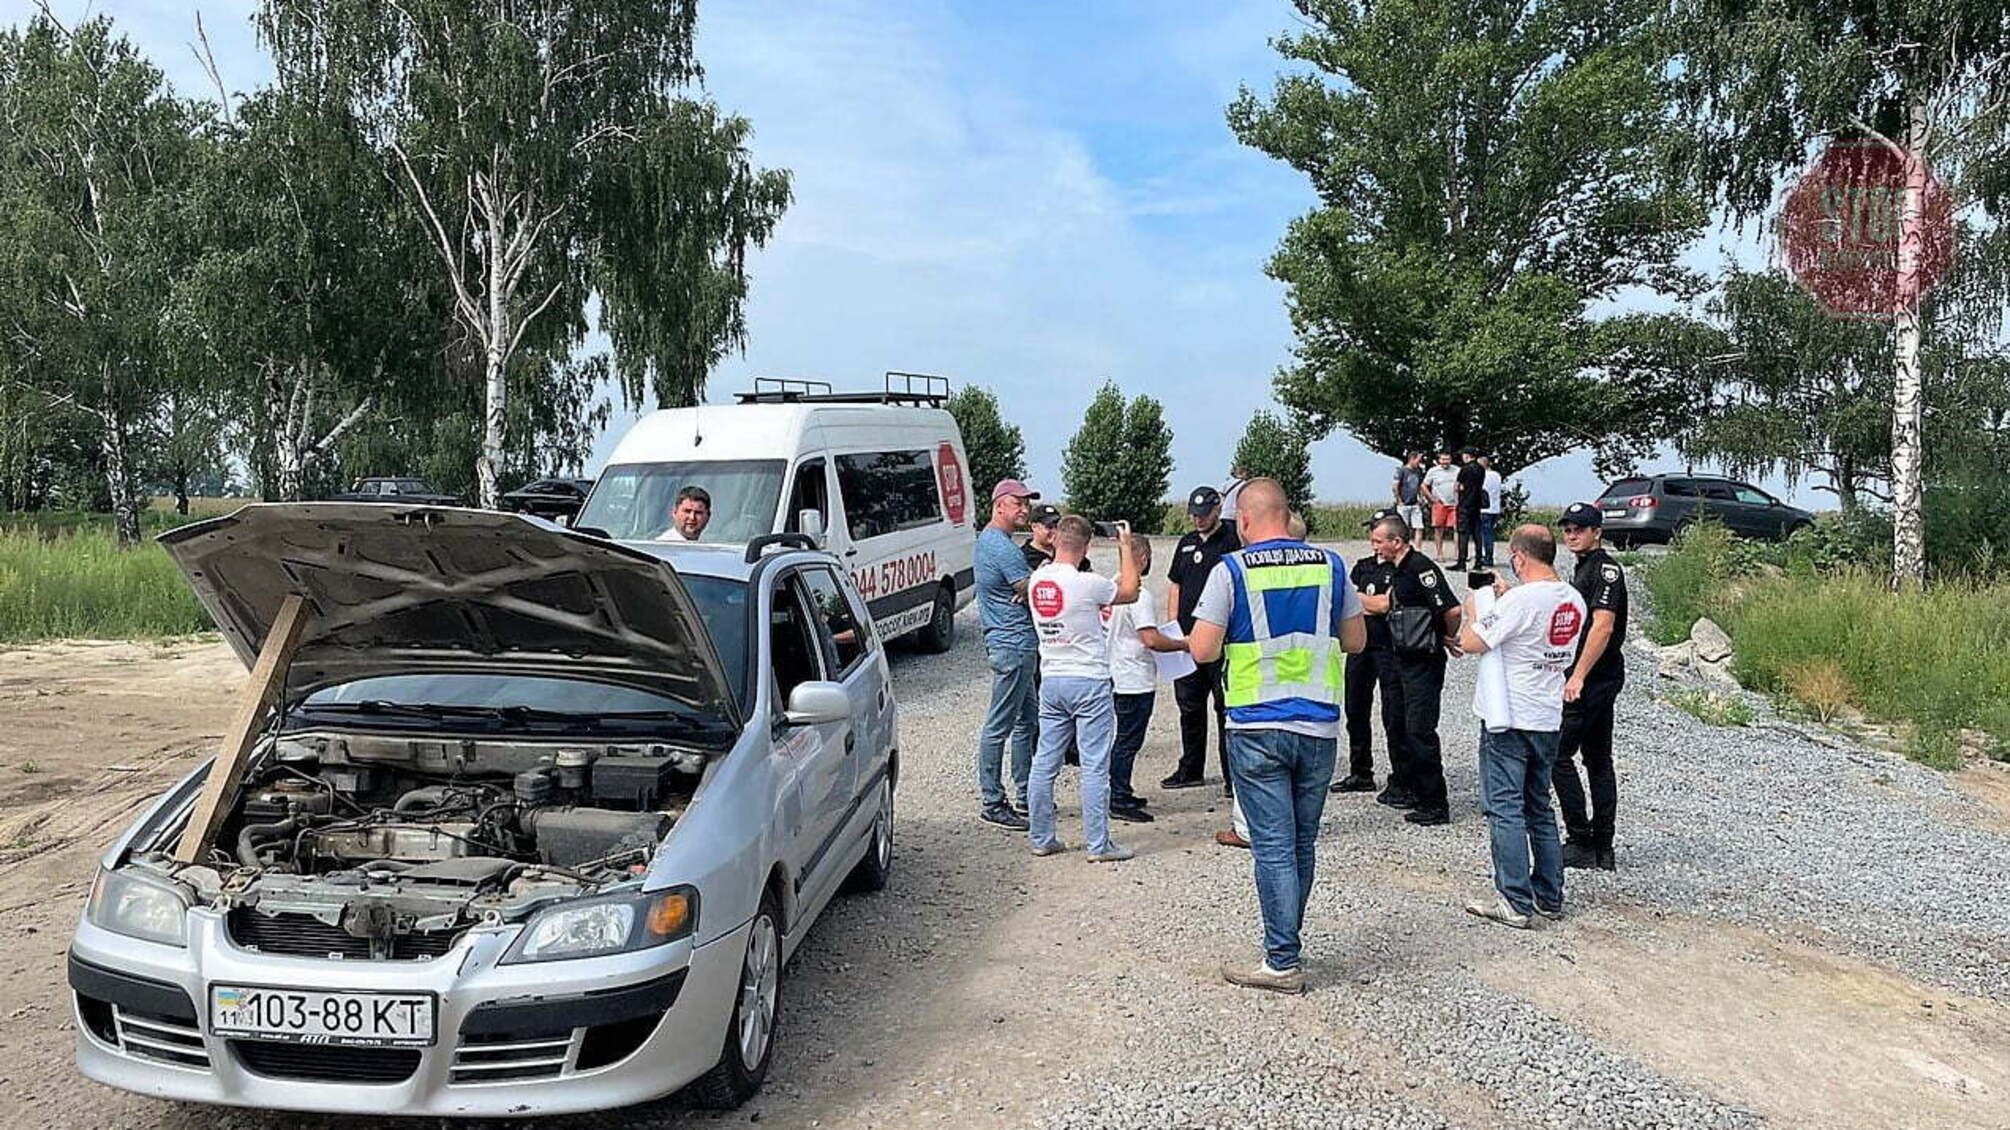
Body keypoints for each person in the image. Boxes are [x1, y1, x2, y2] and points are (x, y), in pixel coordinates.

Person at [1188, 481, 1366, 992]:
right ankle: (1288, 939)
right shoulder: (1330, 565)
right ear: (1287, 517)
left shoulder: (1231, 570)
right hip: (1318, 722)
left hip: (1256, 724)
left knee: (1270, 845)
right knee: (1300, 842)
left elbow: (1202, 650)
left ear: (1243, 521)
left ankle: (1281, 959)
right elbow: (1355, 639)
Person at [1457, 525, 1587, 929]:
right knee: (1539, 806)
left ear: (1518, 557)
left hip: (1508, 714)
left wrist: (1477, 606)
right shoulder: (1572, 598)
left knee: (1505, 808)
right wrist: (1506, 597)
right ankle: (1549, 894)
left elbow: (1471, 641)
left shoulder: (1522, 601)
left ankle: (1514, 899)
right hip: (1546, 715)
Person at [1026, 515, 1140, 863]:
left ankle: (1042, 836)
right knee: (1093, 764)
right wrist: (1125, 547)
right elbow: (1131, 591)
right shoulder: (1088, 583)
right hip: (1088, 679)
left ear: (1055, 540)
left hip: (1052, 678)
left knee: (1045, 760)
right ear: (1087, 547)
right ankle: (1098, 844)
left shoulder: (1037, 580)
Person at [1358, 514, 1460, 825]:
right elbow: (1385, 604)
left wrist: (1444, 635)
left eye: (1379, 541)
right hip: (1402, 658)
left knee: (1420, 729)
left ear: (1396, 542)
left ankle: (1435, 803)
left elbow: (1451, 609)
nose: (1375, 547)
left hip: (1423, 661)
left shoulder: (1420, 568)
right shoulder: (1399, 571)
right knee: (1398, 722)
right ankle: (1410, 787)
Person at [1553, 503, 1629, 872]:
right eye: (1567, 529)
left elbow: (1603, 626)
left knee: (1558, 755)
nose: (1572, 534)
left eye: (1579, 529)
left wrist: (1578, 675)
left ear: (1597, 531)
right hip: (1594, 676)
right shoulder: (1584, 566)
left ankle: (1584, 839)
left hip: (1594, 678)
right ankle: (1602, 845)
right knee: (1597, 759)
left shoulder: (1605, 569)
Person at [1163, 485, 1241, 793]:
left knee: (1226, 709)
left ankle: (1231, 777)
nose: (1198, 520)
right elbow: (1175, 585)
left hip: (1221, 640)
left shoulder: (1234, 539)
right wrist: (1173, 628)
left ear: (1218, 509)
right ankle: (1190, 768)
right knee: (1189, 707)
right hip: (1187, 640)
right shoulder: (1186, 543)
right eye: (1194, 515)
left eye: (1204, 514)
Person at [1105, 533, 1188, 824]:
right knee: (1128, 741)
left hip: (1113, 672)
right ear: (1142, 557)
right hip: (1134, 677)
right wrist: (1183, 644)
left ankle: (1120, 790)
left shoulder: (1110, 586)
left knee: (1118, 738)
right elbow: (1150, 639)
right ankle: (1116, 797)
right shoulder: (1139, 593)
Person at [974, 479, 1041, 830]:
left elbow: (1029, 587)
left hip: (1019, 646)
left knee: (1026, 721)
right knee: (1000, 725)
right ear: (999, 505)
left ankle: (1025, 795)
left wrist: (1032, 582)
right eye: (1019, 503)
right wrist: (1037, 581)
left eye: (1026, 504)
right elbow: (1029, 589)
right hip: (1011, 646)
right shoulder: (1000, 546)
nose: (1025, 510)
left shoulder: (998, 544)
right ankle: (993, 800)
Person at [1333, 508, 1405, 795]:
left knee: (1393, 713)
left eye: (1378, 536)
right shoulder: (1362, 566)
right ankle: (1360, 771)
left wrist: (1361, 599)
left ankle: (1400, 774)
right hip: (1361, 645)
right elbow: (1348, 604)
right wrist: (1365, 601)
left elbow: (1383, 605)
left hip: (1388, 647)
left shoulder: (1398, 568)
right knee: (1355, 709)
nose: (1373, 543)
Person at [1023, 503, 1091, 572]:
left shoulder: (1066, 551)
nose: (1054, 531)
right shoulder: (1023, 557)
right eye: (1049, 527)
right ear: (1034, 527)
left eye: (1057, 527)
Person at [1421, 452, 1460, 560]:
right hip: (1440, 503)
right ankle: (1439, 554)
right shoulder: (1433, 471)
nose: (1445, 462)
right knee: (1438, 529)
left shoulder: (1457, 470)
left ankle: (1457, 554)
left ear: (1451, 459)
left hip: (1454, 503)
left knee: (1457, 529)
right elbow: (1424, 485)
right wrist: (1431, 498)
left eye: (1447, 459)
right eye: (1443, 459)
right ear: (1439, 460)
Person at [1453, 447, 1486, 569]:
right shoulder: (1481, 469)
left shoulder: (1465, 469)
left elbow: (1458, 486)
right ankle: (1478, 561)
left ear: (1467, 456)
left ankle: (1461, 562)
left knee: (1463, 533)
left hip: (1465, 504)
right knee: (1477, 534)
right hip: (1477, 504)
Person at [1476, 456, 1503, 568]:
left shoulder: (1482, 476)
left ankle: (1487, 557)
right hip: (1495, 508)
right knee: (1490, 533)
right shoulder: (1497, 475)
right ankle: (1489, 555)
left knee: (1484, 534)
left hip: (1484, 509)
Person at [1392, 452, 1426, 536]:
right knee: (1403, 528)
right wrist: (1399, 500)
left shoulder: (1418, 471)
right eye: (1418, 460)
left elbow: (1420, 486)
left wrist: (1421, 498)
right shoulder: (1402, 470)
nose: (1419, 463)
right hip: (1403, 503)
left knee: (1419, 527)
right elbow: (1395, 486)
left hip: (1415, 503)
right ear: (1412, 459)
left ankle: (1418, 547)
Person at [1220, 463, 1252, 534]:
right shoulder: (1245, 484)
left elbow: (1221, 499)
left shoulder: (1226, 483)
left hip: (1224, 514)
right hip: (1236, 516)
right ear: (1243, 472)